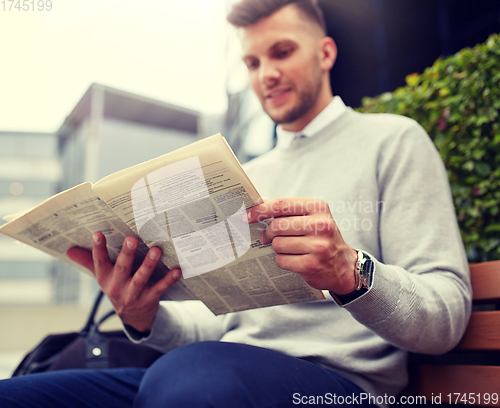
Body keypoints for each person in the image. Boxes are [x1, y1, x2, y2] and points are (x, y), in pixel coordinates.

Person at [0, 1, 471, 407]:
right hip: (217, 375)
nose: (266, 74)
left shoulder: (393, 140)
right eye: (251, 62)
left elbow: (446, 317)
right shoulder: (247, 174)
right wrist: (144, 318)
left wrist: (351, 272)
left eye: (282, 52)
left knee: (187, 382)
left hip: (337, 386)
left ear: (325, 53)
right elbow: (212, 329)